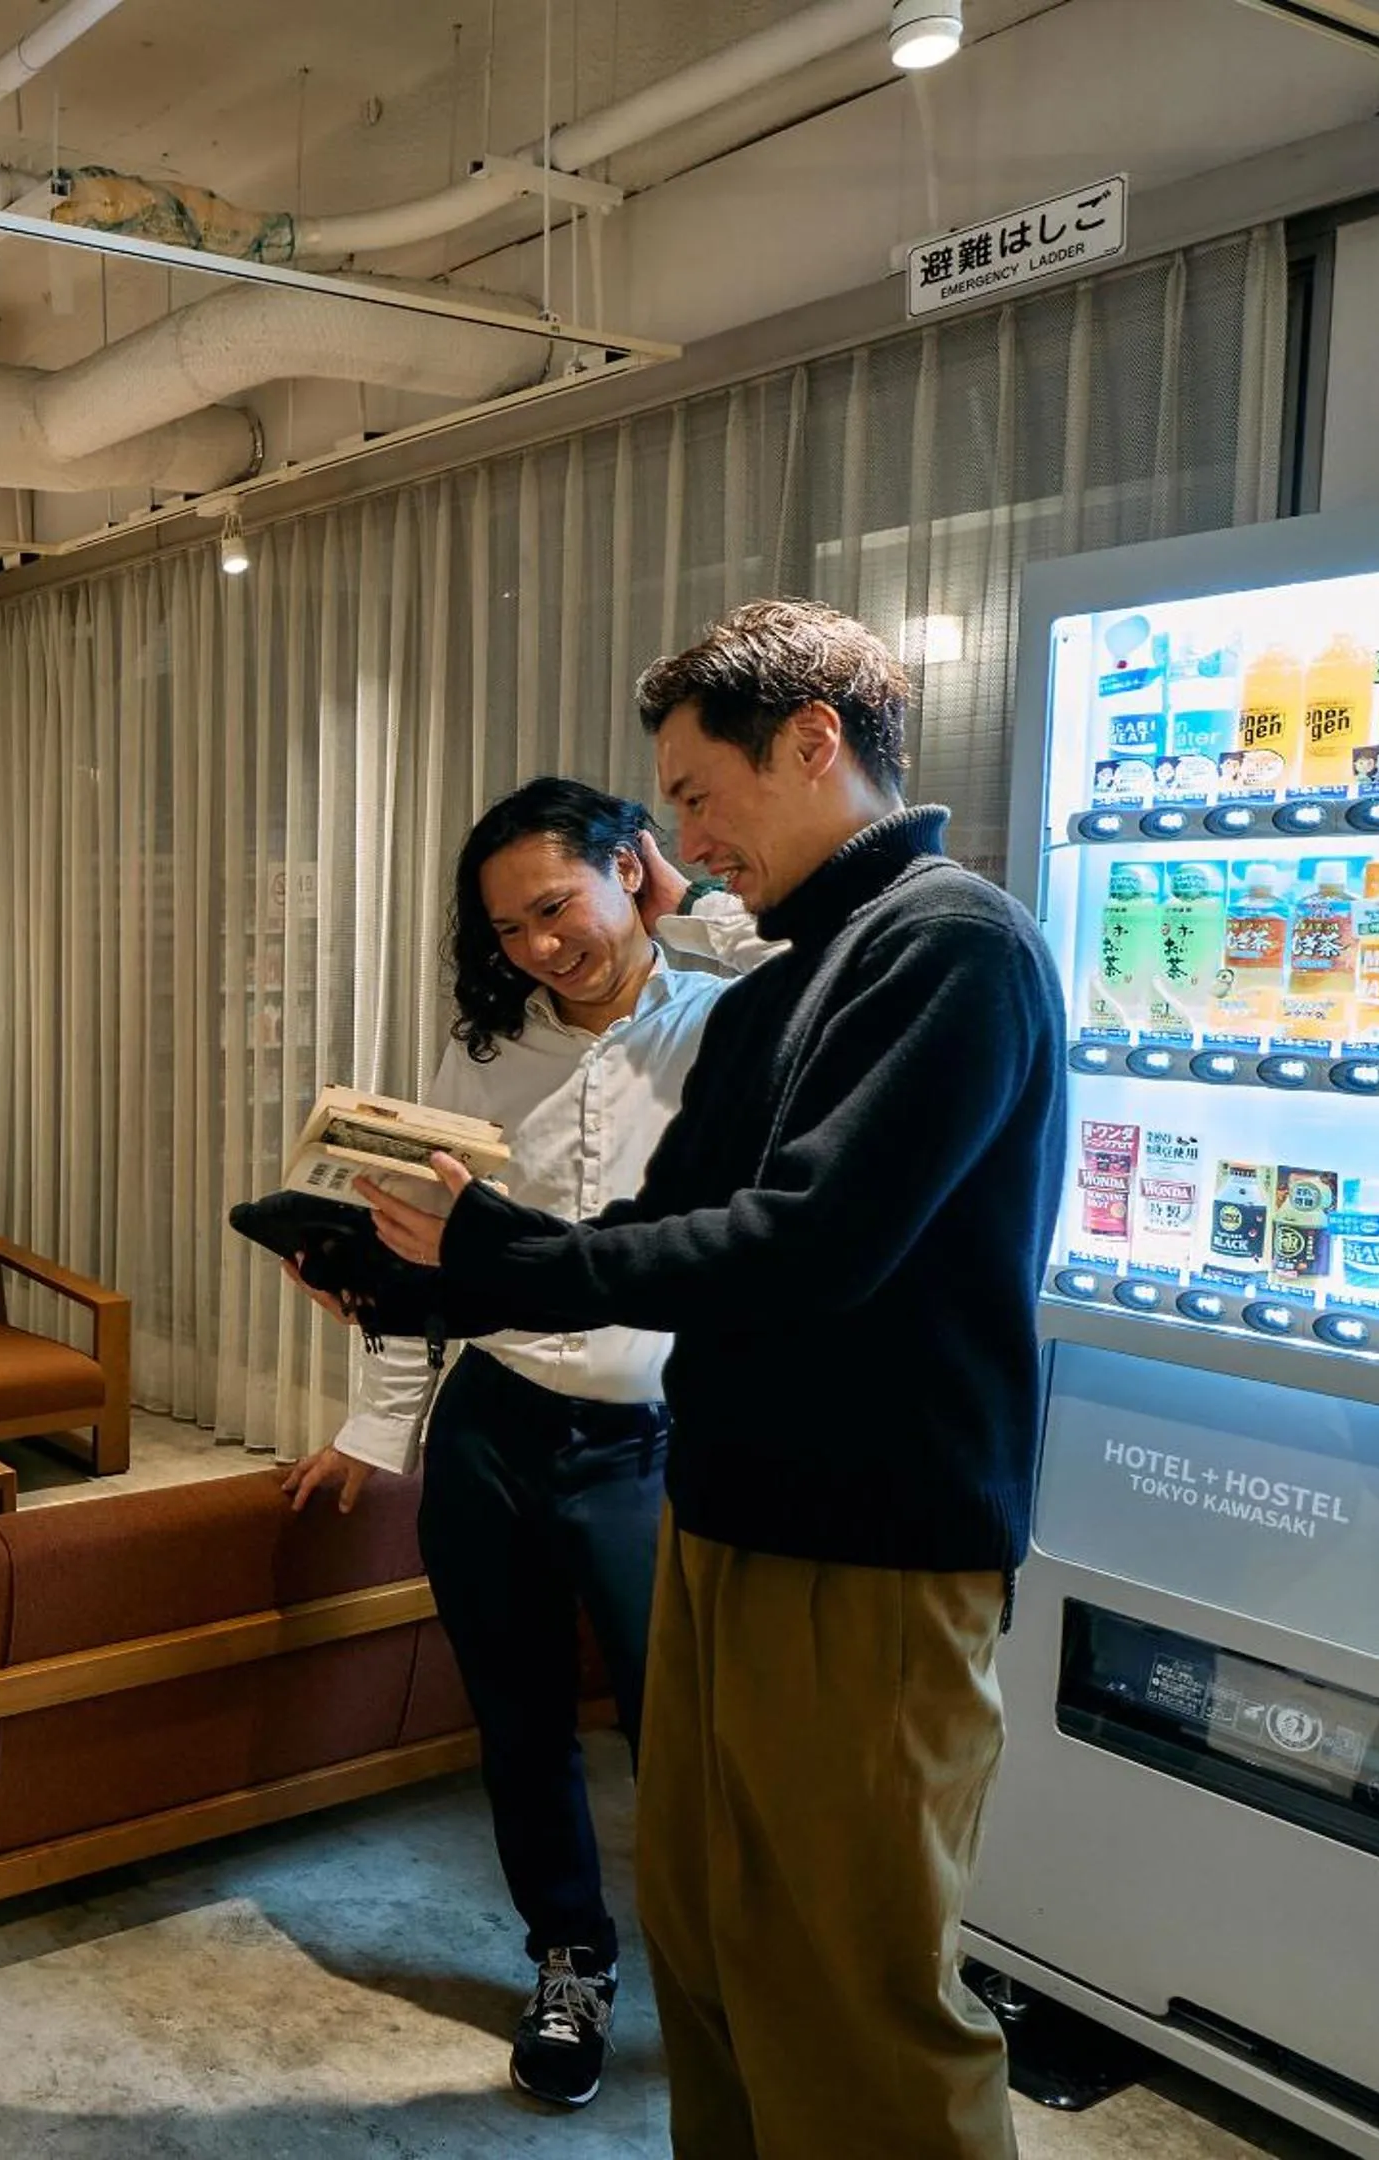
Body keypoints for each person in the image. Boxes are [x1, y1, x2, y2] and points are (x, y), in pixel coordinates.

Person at [360, 600, 1064, 2159]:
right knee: (714, 1946)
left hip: (873, 1547)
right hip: (728, 1514)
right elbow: (664, 1226)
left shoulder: (948, 943)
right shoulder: (790, 975)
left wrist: (500, 1259)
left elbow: (806, 1243)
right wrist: (429, 1270)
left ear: (814, 744)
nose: (679, 841)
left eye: (690, 795)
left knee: (854, 1991)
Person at [282, 778, 775, 2111]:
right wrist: (379, 1420)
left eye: (557, 906)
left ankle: (728, 1980)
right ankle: (571, 1959)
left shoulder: (733, 1021)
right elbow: (428, 1247)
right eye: (508, 929)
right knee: (519, 1720)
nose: (541, 947)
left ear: (634, 868)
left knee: (686, 1736)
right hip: (497, 1423)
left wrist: (700, 918)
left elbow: (825, 966)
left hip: (655, 1440)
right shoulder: (489, 1056)